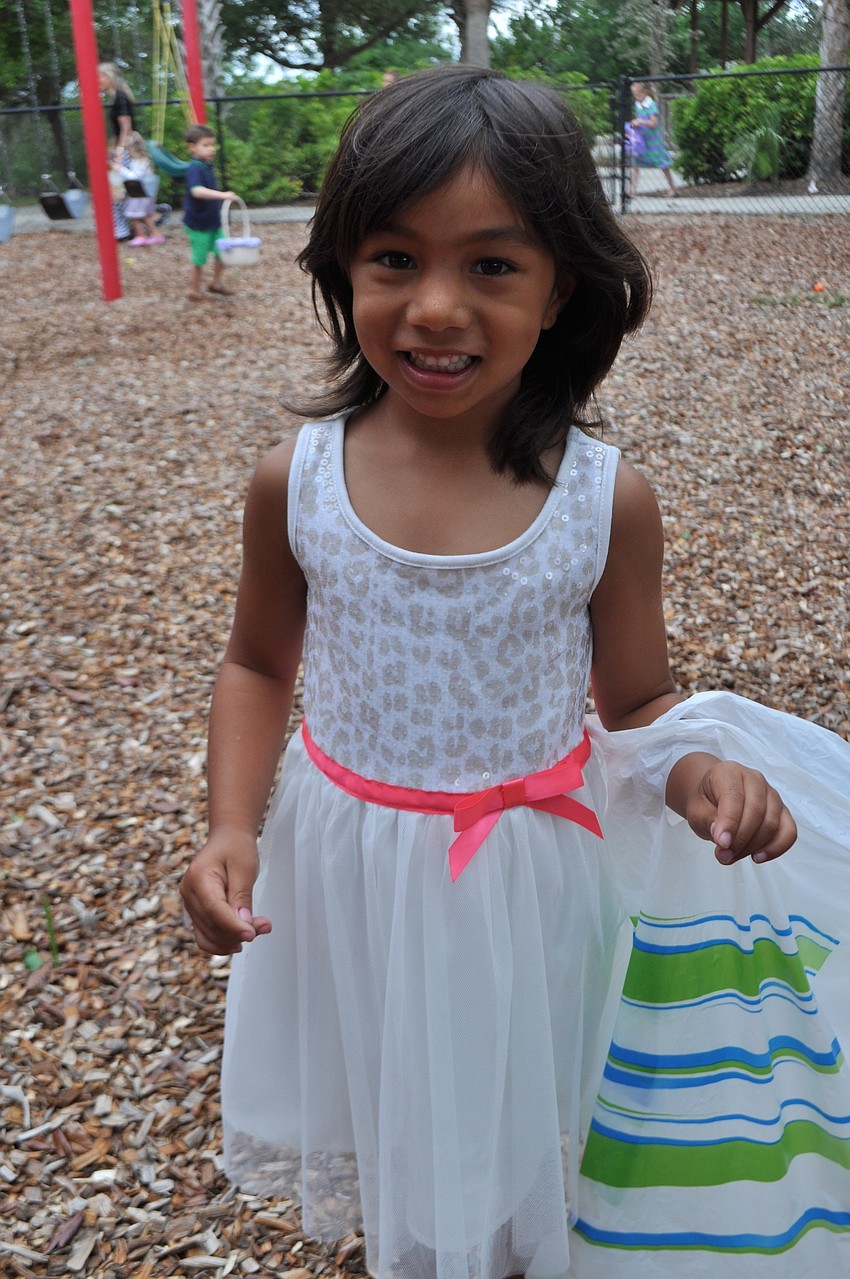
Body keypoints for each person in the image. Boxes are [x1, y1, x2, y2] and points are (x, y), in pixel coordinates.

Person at [180, 66, 850, 1279]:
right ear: (341, 270)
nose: (435, 306)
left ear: (565, 289)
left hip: (528, 881)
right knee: (400, 1109)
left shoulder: (604, 501)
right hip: (352, 868)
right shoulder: (300, 481)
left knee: (518, 1120)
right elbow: (254, 661)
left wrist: (696, 769)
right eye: (394, 257)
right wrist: (231, 824)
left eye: (491, 264)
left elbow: (636, 700)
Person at [182, 123, 238, 302]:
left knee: (223, 251)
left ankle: (216, 283)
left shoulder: (207, 166)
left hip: (213, 221)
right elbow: (196, 191)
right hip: (199, 224)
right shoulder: (194, 168)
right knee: (199, 258)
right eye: (205, 145)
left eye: (212, 145)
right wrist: (222, 195)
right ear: (192, 147)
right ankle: (192, 288)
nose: (211, 149)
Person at [113, 132, 164, 246]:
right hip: (142, 194)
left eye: (129, 150)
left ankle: (142, 236)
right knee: (143, 216)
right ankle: (155, 235)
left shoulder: (141, 161)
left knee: (134, 214)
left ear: (135, 149)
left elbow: (135, 177)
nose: (128, 153)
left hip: (141, 194)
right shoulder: (139, 160)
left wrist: (121, 169)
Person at [629, 80, 677, 198]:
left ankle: (672, 188)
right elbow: (639, 119)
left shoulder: (651, 105)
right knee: (635, 164)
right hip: (641, 140)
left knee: (663, 164)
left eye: (638, 94)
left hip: (653, 141)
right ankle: (632, 190)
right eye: (635, 95)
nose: (636, 97)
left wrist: (640, 121)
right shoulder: (638, 104)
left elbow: (653, 123)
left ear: (644, 92)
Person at [98, 62, 136, 160]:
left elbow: (126, 127)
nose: (98, 81)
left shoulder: (120, 96)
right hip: (125, 147)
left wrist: (119, 151)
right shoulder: (117, 97)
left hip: (128, 149)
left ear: (110, 77)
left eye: (100, 77)